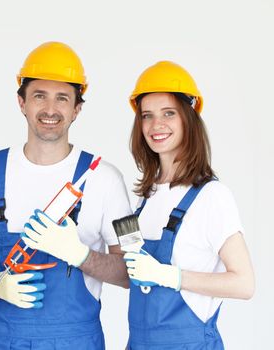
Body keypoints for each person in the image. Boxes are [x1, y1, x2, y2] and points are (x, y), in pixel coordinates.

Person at [0, 41, 131, 349]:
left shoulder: (106, 178)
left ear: (77, 109)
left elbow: (130, 273)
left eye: (62, 98)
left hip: (76, 341)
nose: (51, 109)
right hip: (3, 339)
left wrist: (81, 255)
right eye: (40, 96)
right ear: (21, 102)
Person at [122, 61, 255, 349]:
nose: (156, 125)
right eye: (147, 115)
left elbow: (244, 284)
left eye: (168, 113)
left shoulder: (212, 196)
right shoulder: (145, 197)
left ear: (188, 118)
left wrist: (170, 275)